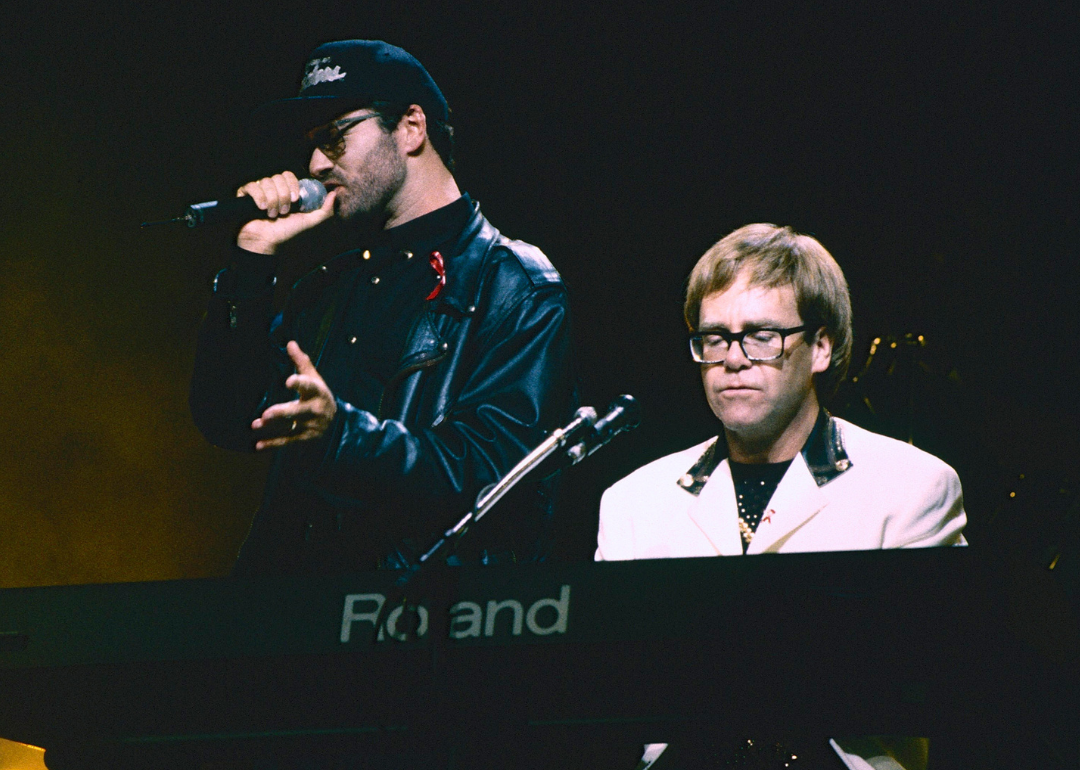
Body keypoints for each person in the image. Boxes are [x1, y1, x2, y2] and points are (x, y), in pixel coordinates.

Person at [190, 40, 576, 575]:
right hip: (285, 620)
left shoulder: (515, 285)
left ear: (411, 127)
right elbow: (228, 418)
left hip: (413, 624)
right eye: (311, 144)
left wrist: (341, 435)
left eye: (335, 137)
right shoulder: (326, 288)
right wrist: (252, 261)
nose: (315, 164)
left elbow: (498, 478)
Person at [596, 223, 966, 769]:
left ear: (820, 348)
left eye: (762, 335)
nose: (733, 358)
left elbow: (931, 684)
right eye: (715, 337)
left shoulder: (912, 488)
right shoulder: (634, 502)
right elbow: (609, 696)